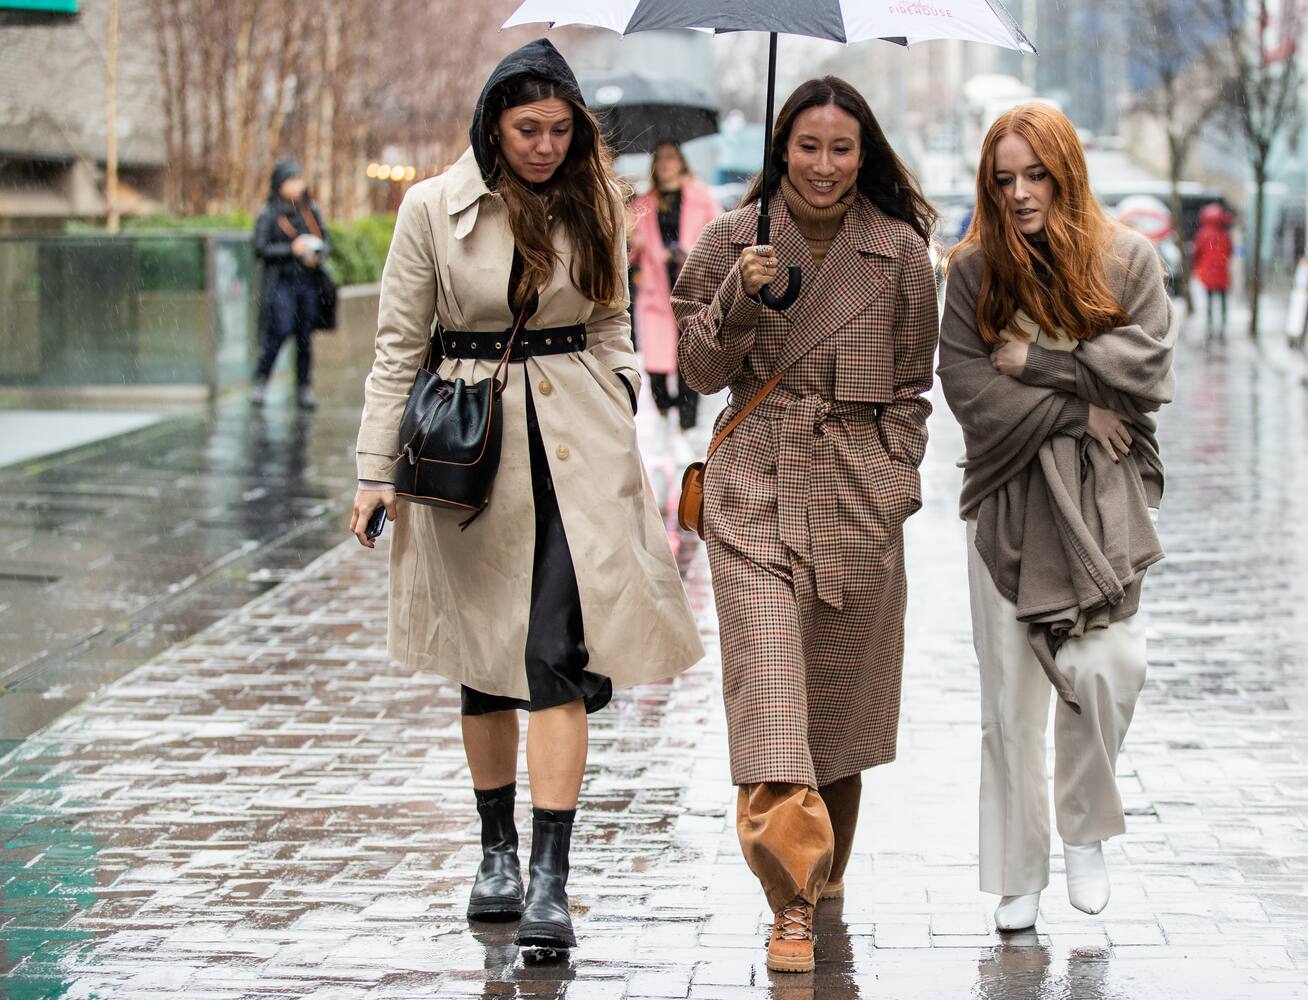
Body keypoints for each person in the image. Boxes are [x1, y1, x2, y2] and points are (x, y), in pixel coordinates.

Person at [348, 38, 703, 954]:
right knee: (485, 661)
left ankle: (550, 877)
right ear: (492, 127)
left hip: (579, 450)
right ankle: (496, 854)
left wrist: (619, 389)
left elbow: (612, 318)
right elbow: (398, 345)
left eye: (559, 129)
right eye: (527, 130)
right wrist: (375, 469)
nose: (545, 146)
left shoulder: (599, 198)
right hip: (470, 455)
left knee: (554, 655)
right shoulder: (431, 207)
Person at [673, 77, 940, 975]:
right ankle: (790, 902)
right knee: (774, 700)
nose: (824, 165)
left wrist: (893, 479)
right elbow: (699, 372)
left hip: (858, 495)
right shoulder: (729, 240)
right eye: (808, 146)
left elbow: (912, 387)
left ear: (864, 156)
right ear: (781, 147)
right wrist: (739, 297)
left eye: (841, 148)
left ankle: (824, 880)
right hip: (754, 491)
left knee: (835, 714)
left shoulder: (899, 253)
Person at [936, 102, 1175, 934]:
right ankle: (1018, 872)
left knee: (1110, 666)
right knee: (1009, 703)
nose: (1020, 194)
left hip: (1102, 504)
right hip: (1004, 502)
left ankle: (1084, 827)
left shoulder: (1127, 259)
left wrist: (1042, 362)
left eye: (1036, 175)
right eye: (1004, 179)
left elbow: (1145, 371)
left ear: (1067, 172)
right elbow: (973, 396)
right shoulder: (973, 272)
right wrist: (1080, 408)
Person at [629, 141, 721, 437]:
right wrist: (633, 240)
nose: (666, 163)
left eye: (671, 157)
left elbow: (719, 238)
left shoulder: (701, 198)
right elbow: (628, 253)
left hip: (691, 287)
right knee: (656, 363)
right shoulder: (643, 204)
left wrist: (690, 252)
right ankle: (665, 413)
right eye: (660, 158)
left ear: (681, 161)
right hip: (656, 290)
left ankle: (687, 425)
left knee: (689, 357)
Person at [252, 160, 330, 409]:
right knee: (279, 331)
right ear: (280, 184)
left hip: (308, 283)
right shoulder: (269, 213)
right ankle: (261, 380)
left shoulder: (310, 211)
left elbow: (326, 241)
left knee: (305, 337)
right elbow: (260, 248)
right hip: (282, 283)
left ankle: (304, 387)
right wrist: (292, 250)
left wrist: (315, 253)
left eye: (299, 179)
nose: (298, 185)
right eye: (292, 180)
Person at [1193, 202, 1233, 340]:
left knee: (1209, 300)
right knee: (1222, 300)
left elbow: (1197, 252)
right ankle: (1222, 326)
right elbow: (1229, 251)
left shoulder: (1202, 234)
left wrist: (1198, 266)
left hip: (1208, 273)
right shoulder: (1224, 234)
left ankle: (1209, 326)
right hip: (1222, 273)